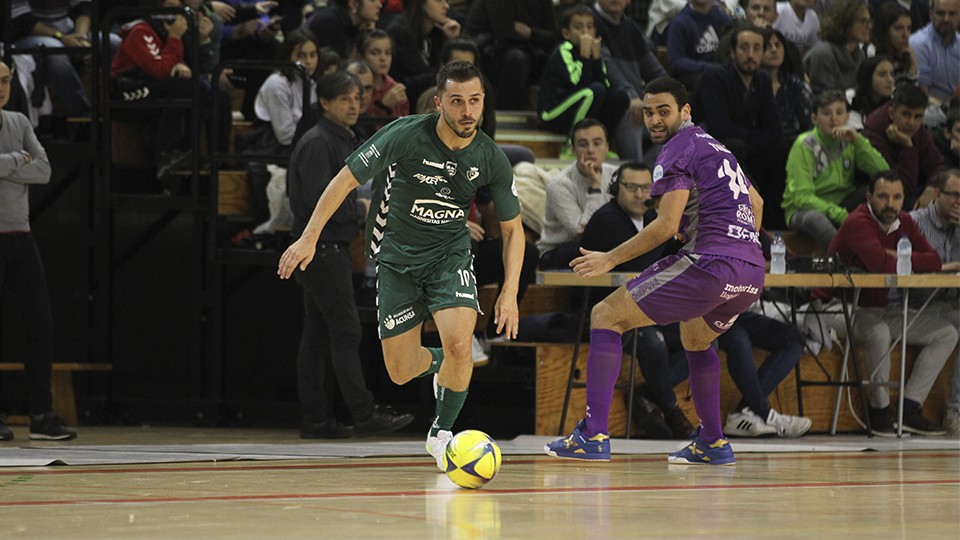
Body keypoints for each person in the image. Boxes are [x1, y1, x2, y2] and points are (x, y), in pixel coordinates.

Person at [277, 61, 525, 468]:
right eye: (457, 101)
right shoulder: (407, 134)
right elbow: (344, 180)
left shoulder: (490, 157)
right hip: (397, 260)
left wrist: (510, 293)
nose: (467, 111)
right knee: (400, 370)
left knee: (461, 341)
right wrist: (309, 237)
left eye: (475, 101)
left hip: (450, 256)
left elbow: (514, 232)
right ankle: (447, 360)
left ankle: (441, 432)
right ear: (439, 102)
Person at [544, 76, 766, 465]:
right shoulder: (718, 148)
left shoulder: (678, 148)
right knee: (696, 338)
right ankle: (713, 442)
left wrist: (609, 258)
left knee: (605, 314)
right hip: (751, 270)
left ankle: (593, 434)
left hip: (711, 263)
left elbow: (665, 225)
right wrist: (740, 243)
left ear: (685, 111)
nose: (655, 120)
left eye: (664, 111)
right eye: (648, 112)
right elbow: (757, 202)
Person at [286, 71, 414, 439]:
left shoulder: (342, 139)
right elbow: (316, 204)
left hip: (330, 248)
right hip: (321, 248)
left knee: (317, 334)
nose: (354, 104)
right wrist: (363, 209)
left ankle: (316, 419)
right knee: (344, 330)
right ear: (325, 103)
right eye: (344, 99)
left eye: (357, 97)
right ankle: (363, 413)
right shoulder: (317, 143)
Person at [818, 170, 956, 436]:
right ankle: (879, 413)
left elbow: (933, 261)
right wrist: (896, 257)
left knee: (945, 333)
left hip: (876, 309)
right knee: (878, 332)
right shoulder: (859, 222)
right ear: (870, 198)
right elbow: (880, 266)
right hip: (834, 308)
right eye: (883, 197)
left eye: (896, 197)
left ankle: (909, 408)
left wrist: (896, 254)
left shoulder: (904, 221)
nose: (890, 204)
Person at [579, 161, 696, 440]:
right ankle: (671, 410)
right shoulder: (607, 218)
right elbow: (644, 262)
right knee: (652, 340)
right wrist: (666, 233)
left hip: (645, 309)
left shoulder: (653, 221)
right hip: (603, 313)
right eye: (631, 187)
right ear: (616, 188)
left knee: (701, 337)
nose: (639, 194)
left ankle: (648, 392)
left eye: (646, 188)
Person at [0, 61, 76, 442]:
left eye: (4, 80)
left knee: (41, 324)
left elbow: (44, 169)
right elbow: (29, 164)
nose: (0, 87)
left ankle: (42, 415)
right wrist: (17, 161)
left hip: (21, 235)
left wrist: (10, 166)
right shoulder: (16, 137)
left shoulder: (18, 121)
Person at [693, 23, 788, 228]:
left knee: (781, 149)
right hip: (710, 152)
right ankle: (741, 218)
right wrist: (758, 136)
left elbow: (775, 131)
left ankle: (771, 220)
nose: (751, 54)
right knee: (735, 146)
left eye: (757, 48)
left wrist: (756, 138)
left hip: (745, 149)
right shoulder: (715, 76)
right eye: (744, 47)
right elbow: (720, 130)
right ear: (733, 52)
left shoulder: (762, 80)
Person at [783, 90, 889, 251]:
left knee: (879, 192)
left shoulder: (850, 139)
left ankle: (882, 250)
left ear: (847, 117)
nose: (834, 119)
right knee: (815, 218)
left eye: (839, 113)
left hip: (841, 204)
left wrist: (858, 141)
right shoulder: (804, 146)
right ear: (814, 118)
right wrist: (839, 214)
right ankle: (841, 260)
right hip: (803, 210)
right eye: (826, 113)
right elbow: (801, 197)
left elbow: (884, 173)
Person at [908, 168, 960, 436]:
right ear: (937, 194)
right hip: (917, 304)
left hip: (950, 303)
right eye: (954, 195)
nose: (958, 203)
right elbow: (909, 271)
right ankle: (955, 410)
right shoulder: (915, 223)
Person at [537, 5, 630, 141]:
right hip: (552, 113)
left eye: (590, 26)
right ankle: (573, 143)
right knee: (594, 91)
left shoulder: (594, 52)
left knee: (620, 96)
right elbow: (576, 84)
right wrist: (585, 56)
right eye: (579, 27)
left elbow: (606, 86)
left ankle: (603, 143)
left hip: (583, 105)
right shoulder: (564, 50)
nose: (586, 32)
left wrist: (597, 59)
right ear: (566, 33)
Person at [592, 0, 668, 161]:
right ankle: (636, 170)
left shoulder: (631, 27)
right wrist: (631, 95)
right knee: (631, 110)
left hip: (638, 102)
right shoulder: (590, 23)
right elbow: (607, 67)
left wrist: (671, 95)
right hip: (610, 105)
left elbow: (654, 70)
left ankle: (645, 172)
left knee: (680, 126)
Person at [537, 118, 616, 270]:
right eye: (583, 144)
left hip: (601, 245)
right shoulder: (559, 184)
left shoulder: (616, 175)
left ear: (607, 147)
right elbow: (582, 233)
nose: (591, 150)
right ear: (573, 150)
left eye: (597, 143)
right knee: (594, 247)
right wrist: (595, 186)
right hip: (559, 250)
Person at [719, 312, 813, 438]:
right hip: (711, 315)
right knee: (739, 341)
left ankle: (744, 412)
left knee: (795, 340)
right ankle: (765, 414)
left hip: (738, 312)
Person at [464, 0, 559, 110]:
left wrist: (531, 33)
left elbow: (553, 36)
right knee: (517, 59)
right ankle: (502, 112)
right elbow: (476, 32)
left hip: (532, 54)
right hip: (491, 55)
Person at [863, 83, 945, 209]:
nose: (911, 123)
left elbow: (938, 165)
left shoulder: (919, 131)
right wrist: (907, 146)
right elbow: (901, 188)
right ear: (891, 113)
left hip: (915, 188)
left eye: (918, 116)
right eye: (906, 115)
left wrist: (931, 188)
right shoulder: (873, 131)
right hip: (883, 197)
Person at [10, 0, 94, 118]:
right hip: (29, 36)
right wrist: (62, 38)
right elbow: (22, 19)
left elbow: (83, 5)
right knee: (55, 50)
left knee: (112, 42)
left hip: (71, 32)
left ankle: (114, 113)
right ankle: (83, 113)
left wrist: (81, 37)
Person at [387, 0, 462, 109]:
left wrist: (453, 39)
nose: (446, 6)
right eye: (439, 1)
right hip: (405, 103)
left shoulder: (438, 33)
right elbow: (422, 74)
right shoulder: (399, 32)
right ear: (421, 4)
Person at [802, 0, 871, 94]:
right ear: (846, 22)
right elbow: (824, 97)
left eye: (869, 21)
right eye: (863, 21)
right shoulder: (823, 54)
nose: (869, 26)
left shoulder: (860, 55)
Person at [666, 0, 734, 92]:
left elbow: (733, 52)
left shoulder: (724, 19)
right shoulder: (680, 22)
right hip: (695, 79)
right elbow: (676, 62)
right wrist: (709, 67)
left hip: (724, 75)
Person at [760, 27, 813, 142]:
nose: (774, 50)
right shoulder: (752, 85)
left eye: (778, 45)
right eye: (768, 46)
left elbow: (808, 122)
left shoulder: (794, 84)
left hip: (794, 142)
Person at [909, 0, 960, 104]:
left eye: (952, 14)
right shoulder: (919, 44)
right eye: (940, 13)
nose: (946, 19)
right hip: (931, 109)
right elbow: (922, 93)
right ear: (930, 14)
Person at [306, 0, 383, 61]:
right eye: (372, 0)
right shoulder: (327, 23)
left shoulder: (359, 25)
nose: (380, 5)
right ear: (353, 3)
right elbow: (340, 71)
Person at [359, 29, 410, 119]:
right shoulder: (356, 87)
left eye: (388, 53)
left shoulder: (396, 90)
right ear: (361, 56)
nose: (383, 58)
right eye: (375, 53)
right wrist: (383, 106)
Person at [870, 2, 920, 85]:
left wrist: (913, 66)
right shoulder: (872, 52)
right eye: (898, 28)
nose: (906, 35)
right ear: (885, 30)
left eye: (909, 28)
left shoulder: (907, 54)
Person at [849, 55, 896, 130]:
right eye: (882, 75)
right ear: (867, 78)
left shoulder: (895, 104)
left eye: (892, 74)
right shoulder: (853, 102)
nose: (890, 80)